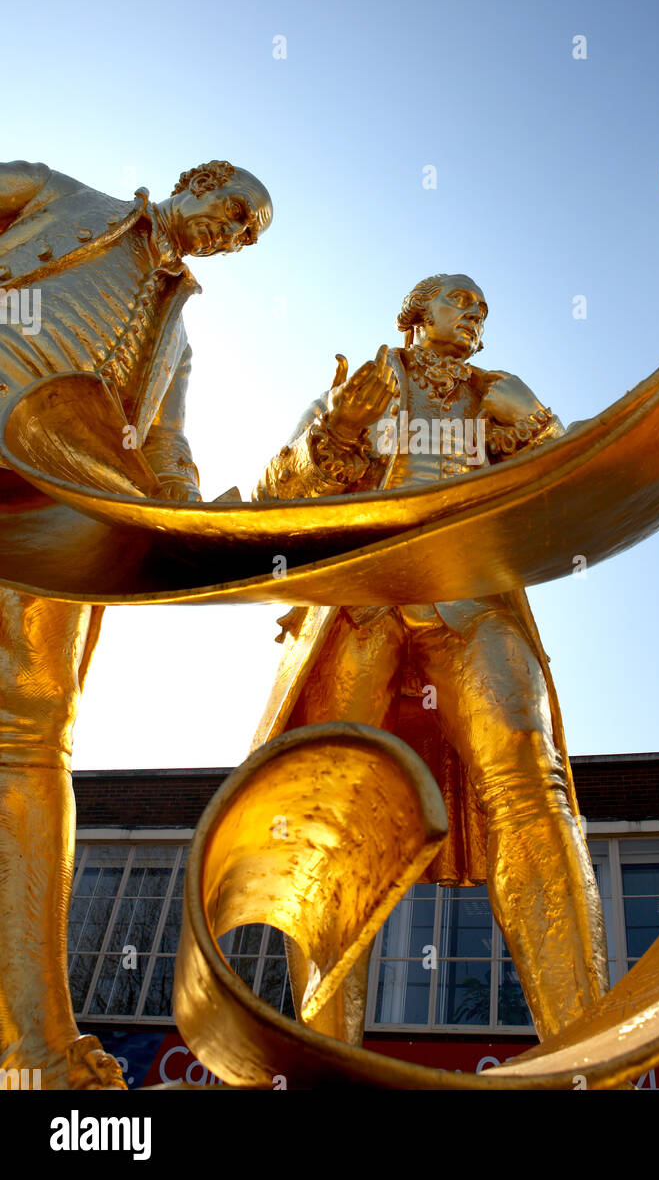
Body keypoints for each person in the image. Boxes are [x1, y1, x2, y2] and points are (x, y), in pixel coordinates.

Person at [253, 272, 610, 1044]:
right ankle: (328, 1056)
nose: (477, 310)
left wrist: (631, 422)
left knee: (531, 774)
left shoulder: (498, 391)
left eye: (484, 304)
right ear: (414, 314)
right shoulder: (363, 385)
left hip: (470, 594)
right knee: (331, 813)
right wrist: (343, 431)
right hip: (362, 596)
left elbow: (572, 469)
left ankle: (583, 1050)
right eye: (459, 298)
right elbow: (273, 491)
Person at [0, 157, 273, 1088]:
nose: (231, 233)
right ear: (193, 181)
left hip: (52, 507)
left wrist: (213, 525)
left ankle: (29, 1048)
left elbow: (164, 454)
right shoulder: (54, 192)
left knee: (31, 744)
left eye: (245, 234)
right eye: (233, 210)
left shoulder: (178, 342)